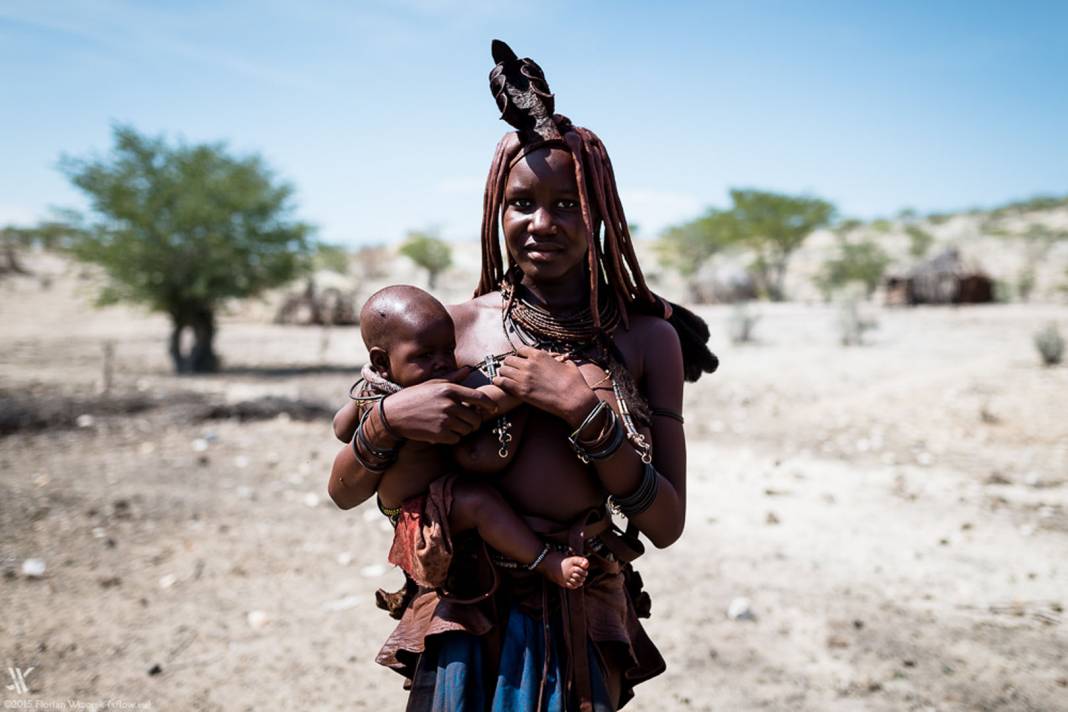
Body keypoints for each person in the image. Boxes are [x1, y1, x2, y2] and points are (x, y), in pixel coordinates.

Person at [327, 39, 717, 711]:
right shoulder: (450, 328)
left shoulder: (647, 339)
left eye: (568, 205)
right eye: (521, 204)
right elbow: (347, 493)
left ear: (601, 212)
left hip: (575, 606)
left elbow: (667, 522)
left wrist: (586, 415)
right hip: (464, 614)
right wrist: (388, 421)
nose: (542, 223)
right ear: (494, 212)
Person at [333, 284, 590, 590]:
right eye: (425, 355)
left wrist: (364, 406)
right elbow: (482, 406)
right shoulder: (419, 402)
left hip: (407, 504)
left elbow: (340, 427)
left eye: (449, 349)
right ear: (381, 363)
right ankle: (546, 561)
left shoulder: (372, 388)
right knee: (481, 503)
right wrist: (525, 388)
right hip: (422, 514)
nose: (443, 362)